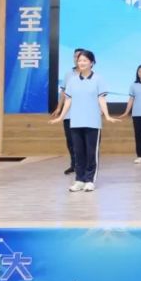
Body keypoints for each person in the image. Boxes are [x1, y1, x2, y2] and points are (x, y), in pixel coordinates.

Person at [50, 50, 118, 192]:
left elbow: (101, 99)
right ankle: (79, 180)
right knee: (78, 152)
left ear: (91, 63)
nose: (81, 63)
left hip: (93, 122)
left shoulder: (98, 79)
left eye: (84, 60)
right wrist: (61, 117)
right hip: (76, 122)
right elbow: (68, 100)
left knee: (91, 153)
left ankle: (90, 180)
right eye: (79, 60)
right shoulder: (72, 80)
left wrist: (107, 115)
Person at [51, 47, 83, 175]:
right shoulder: (68, 74)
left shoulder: (91, 75)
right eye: (75, 56)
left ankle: (84, 164)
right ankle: (74, 164)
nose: (77, 58)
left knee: (83, 141)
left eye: (80, 56)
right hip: (68, 114)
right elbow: (63, 92)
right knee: (70, 141)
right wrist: (59, 108)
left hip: (84, 114)